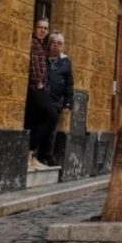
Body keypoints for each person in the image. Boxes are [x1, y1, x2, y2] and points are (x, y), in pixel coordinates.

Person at [24, 18, 57, 169]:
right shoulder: (33, 43)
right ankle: (30, 152)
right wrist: (38, 84)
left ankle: (31, 156)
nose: (43, 30)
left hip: (40, 88)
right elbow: (32, 65)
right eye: (40, 27)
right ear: (34, 28)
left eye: (45, 28)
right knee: (51, 116)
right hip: (35, 88)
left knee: (36, 120)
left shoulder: (42, 45)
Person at [39, 31, 74, 166]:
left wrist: (68, 102)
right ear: (49, 44)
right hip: (42, 97)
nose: (55, 46)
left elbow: (69, 83)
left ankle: (46, 155)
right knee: (40, 125)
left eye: (59, 43)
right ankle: (37, 153)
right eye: (53, 43)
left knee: (51, 128)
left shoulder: (65, 62)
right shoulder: (42, 58)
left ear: (62, 46)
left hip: (55, 100)